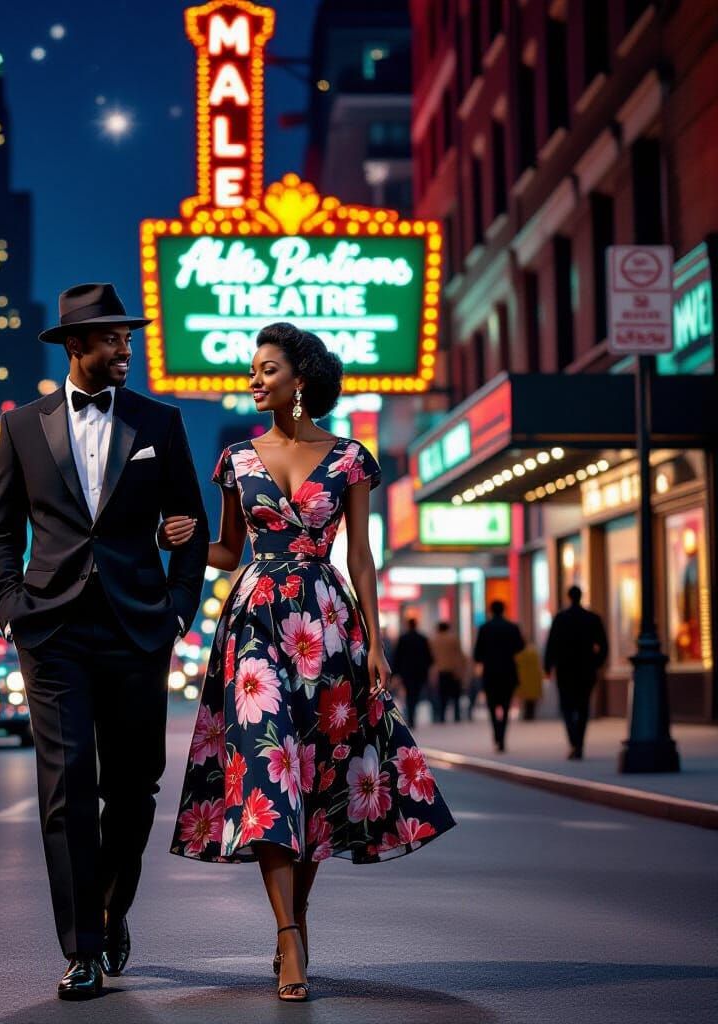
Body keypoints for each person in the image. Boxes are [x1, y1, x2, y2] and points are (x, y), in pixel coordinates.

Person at [161, 322, 455, 1003]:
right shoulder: (237, 459)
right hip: (256, 627)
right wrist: (180, 536)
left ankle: (293, 922)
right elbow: (229, 552)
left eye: (267, 370)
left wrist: (376, 644)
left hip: (327, 625)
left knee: (317, 777)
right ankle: (290, 936)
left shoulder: (352, 457)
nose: (254, 380)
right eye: (253, 370)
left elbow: (360, 555)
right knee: (270, 772)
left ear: (299, 379)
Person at [0, 283, 208, 1000]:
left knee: (133, 785)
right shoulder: (21, 427)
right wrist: (12, 606)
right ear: (76, 346)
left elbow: (192, 524)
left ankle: (113, 907)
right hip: (51, 629)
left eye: (129, 337)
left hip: (138, 626)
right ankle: (81, 945)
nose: (127, 349)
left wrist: (178, 606)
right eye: (113, 339)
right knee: (67, 783)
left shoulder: (160, 422)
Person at [544, 585, 609, 759]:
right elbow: (604, 645)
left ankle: (574, 741)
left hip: (565, 669)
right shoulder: (592, 618)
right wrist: (597, 663)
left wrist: (548, 667)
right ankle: (579, 742)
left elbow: (551, 644)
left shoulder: (561, 618)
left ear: (569, 597)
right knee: (583, 706)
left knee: (566, 707)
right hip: (585, 669)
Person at [473, 601, 524, 752]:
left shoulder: (484, 628)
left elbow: (477, 654)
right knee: (506, 705)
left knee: (492, 705)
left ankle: (497, 734)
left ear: (490, 610)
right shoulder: (512, 627)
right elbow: (520, 646)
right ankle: (502, 736)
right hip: (508, 671)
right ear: (504, 610)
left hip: (490, 673)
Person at [392, 617, 434, 727]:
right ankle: (412, 715)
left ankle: (411, 716)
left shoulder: (403, 639)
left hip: (406, 672)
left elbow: (398, 656)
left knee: (409, 693)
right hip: (419, 672)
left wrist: (395, 672)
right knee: (415, 694)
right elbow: (428, 657)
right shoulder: (422, 638)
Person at [430, 621, 466, 723]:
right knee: (455, 695)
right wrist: (461, 670)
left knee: (442, 695)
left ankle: (442, 716)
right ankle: (457, 715)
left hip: (440, 671)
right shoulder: (453, 639)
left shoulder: (434, 640)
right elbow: (459, 655)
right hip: (453, 670)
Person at [515, 642, 544, 720]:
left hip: (525, 680)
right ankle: (529, 715)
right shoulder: (534, 654)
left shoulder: (520, 654)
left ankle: (527, 715)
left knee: (527, 701)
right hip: (532, 680)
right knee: (531, 701)